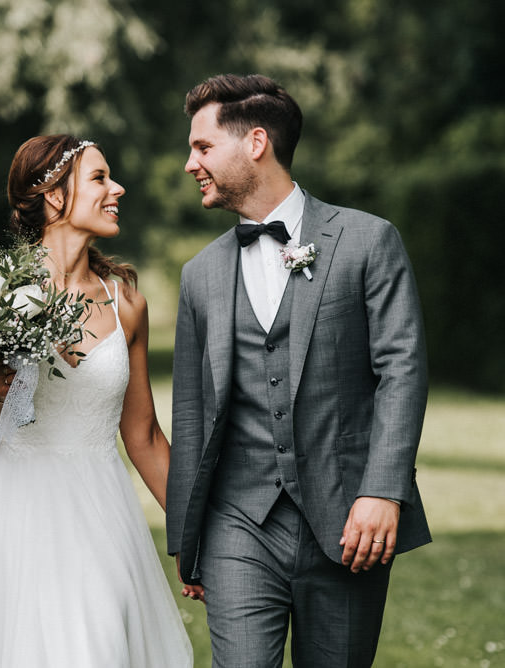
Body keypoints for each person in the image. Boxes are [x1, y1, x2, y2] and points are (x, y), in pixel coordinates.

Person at [166, 74, 431, 667]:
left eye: (202, 147)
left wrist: (381, 492)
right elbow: (191, 410)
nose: (190, 164)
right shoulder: (199, 276)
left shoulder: (368, 241)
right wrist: (188, 537)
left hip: (348, 523)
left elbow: (402, 370)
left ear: (255, 142)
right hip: (238, 521)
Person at [0, 135, 193, 667]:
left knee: (98, 644)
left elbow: (145, 436)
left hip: (100, 514)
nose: (117, 189)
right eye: (100, 178)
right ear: (54, 196)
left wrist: (192, 531)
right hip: (8, 513)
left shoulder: (125, 302)